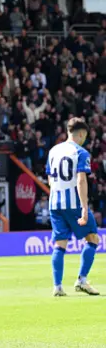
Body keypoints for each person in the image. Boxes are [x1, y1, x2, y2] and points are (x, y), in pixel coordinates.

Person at [46, 117, 99, 297]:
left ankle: (57, 287)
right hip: (73, 203)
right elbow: (81, 180)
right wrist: (84, 207)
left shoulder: (53, 150)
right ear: (82, 134)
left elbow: (49, 177)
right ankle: (82, 280)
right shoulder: (81, 152)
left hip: (54, 202)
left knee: (60, 244)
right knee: (92, 239)